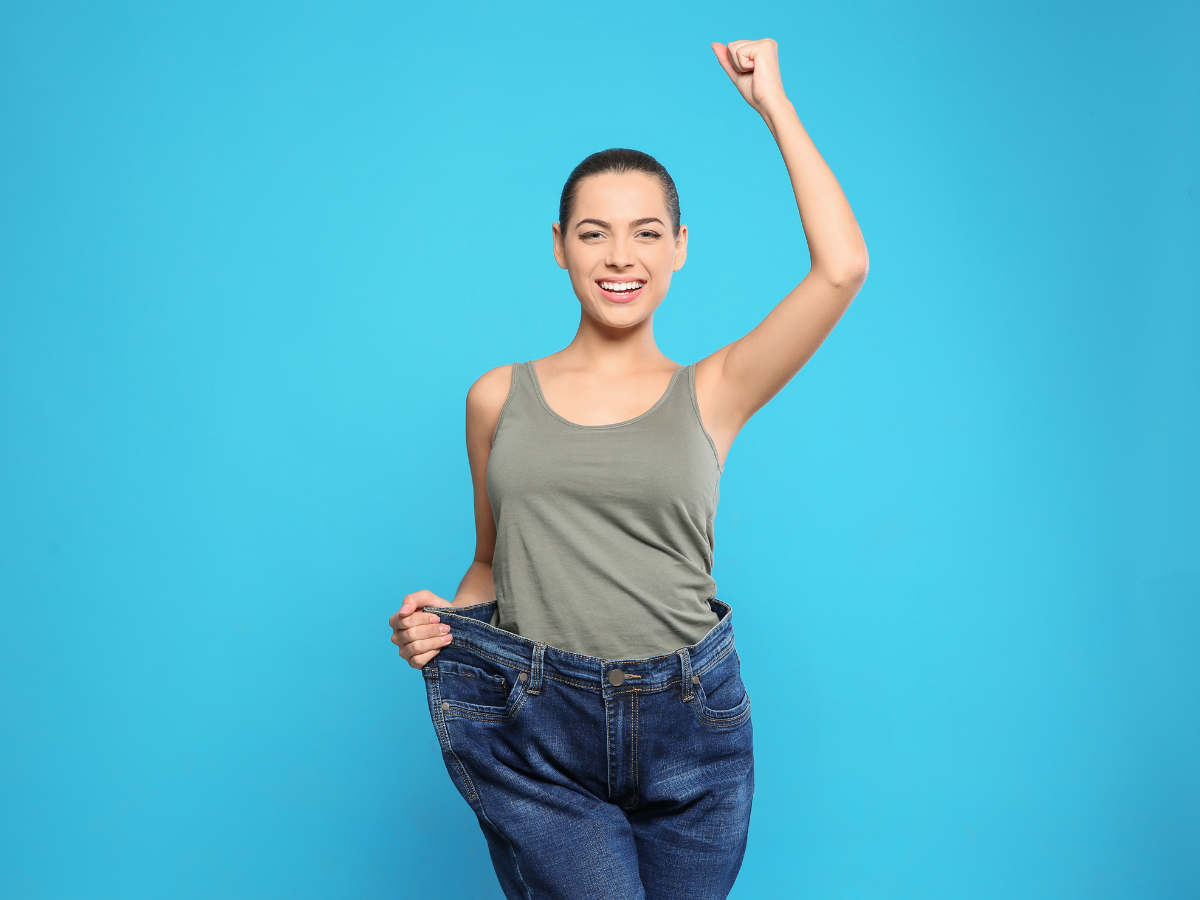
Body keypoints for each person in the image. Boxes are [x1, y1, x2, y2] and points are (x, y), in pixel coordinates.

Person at [389, 38, 868, 900]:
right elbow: (492, 564)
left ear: (680, 247)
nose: (620, 257)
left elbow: (842, 270)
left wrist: (775, 107)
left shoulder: (715, 391)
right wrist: (444, 625)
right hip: (540, 726)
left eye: (647, 233)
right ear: (559, 247)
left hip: (693, 727)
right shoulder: (496, 397)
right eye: (594, 233)